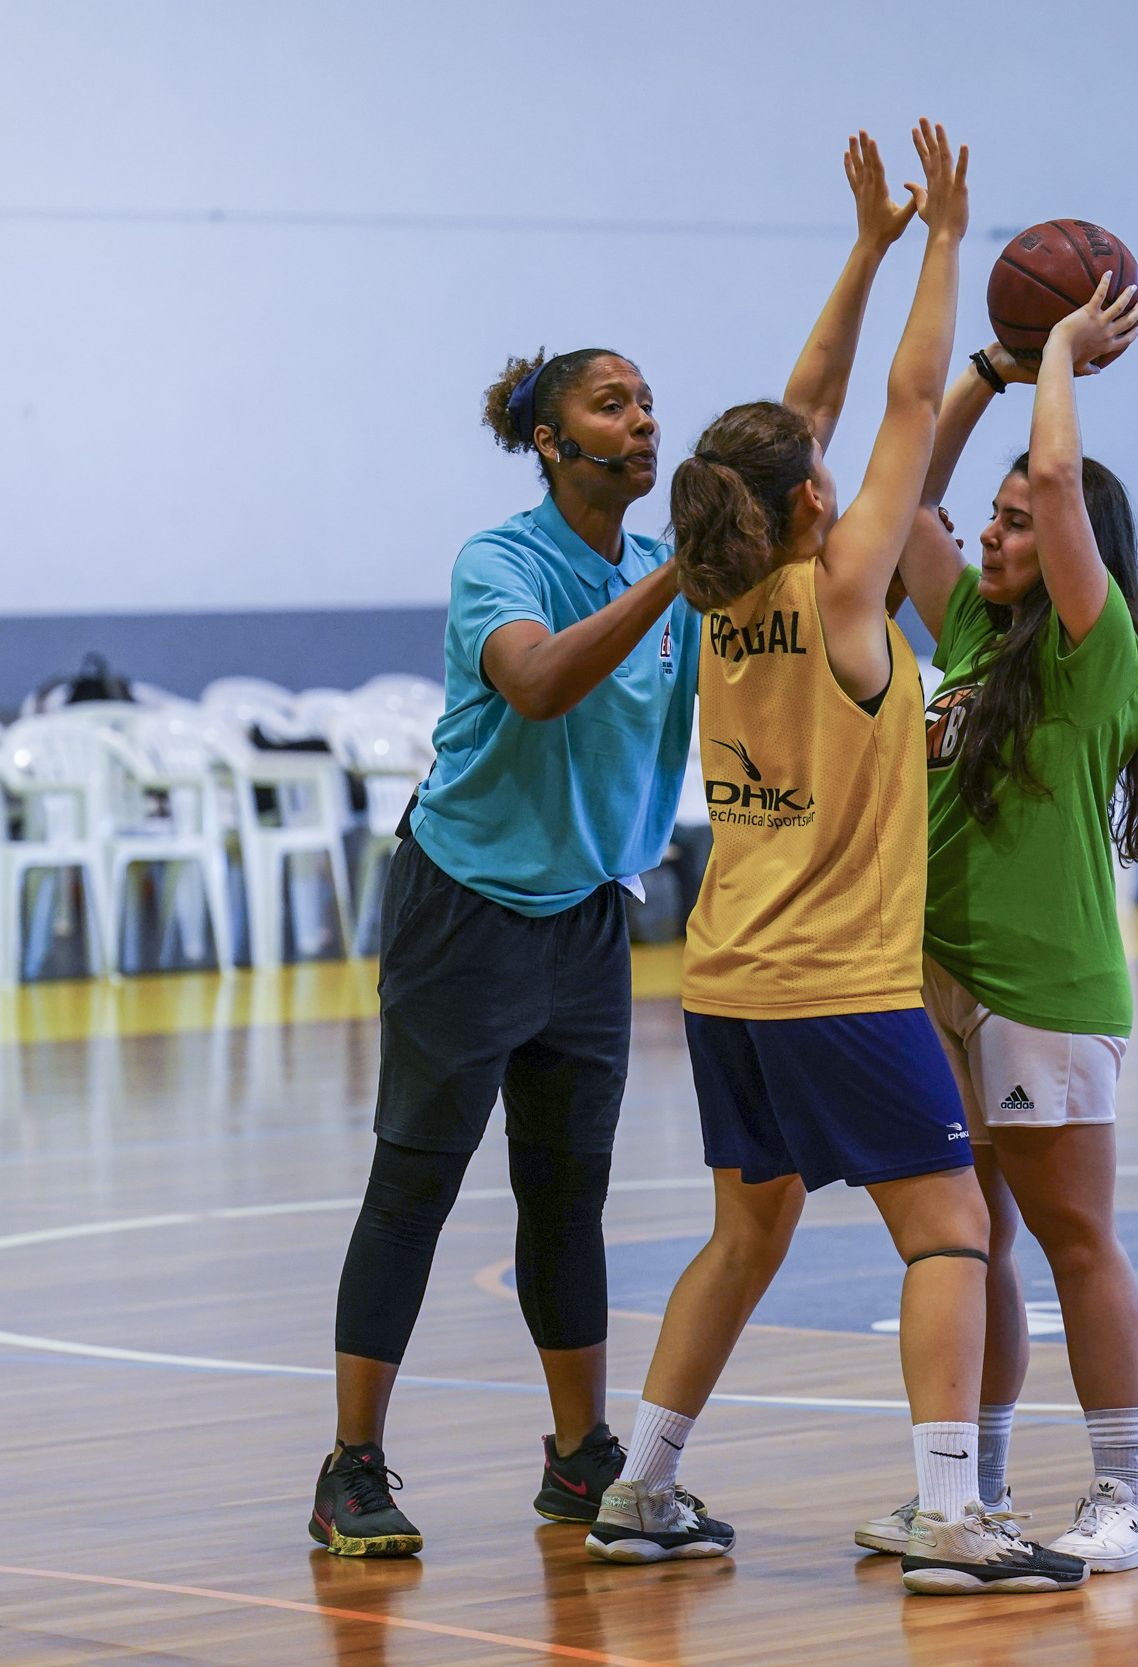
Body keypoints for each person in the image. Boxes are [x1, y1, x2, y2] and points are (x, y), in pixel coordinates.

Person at [583, 120, 1087, 1598]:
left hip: (726, 977)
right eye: (827, 470)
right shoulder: (844, 591)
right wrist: (944, 243)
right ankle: (949, 1512)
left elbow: (798, 408)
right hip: (835, 982)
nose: (838, 466)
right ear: (815, 500)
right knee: (945, 1232)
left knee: (745, 1233)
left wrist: (867, 246)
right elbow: (909, 396)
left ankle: (644, 1484)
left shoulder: (720, 586)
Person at [310, 341, 691, 1557]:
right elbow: (535, 683)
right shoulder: (504, 561)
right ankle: (349, 1466)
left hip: (583, 915)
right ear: (551, 438)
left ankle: (580, 1460)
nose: (641, 422)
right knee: (415, 1182)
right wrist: (680, 576)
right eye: (611, 403)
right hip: (462, 904)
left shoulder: (659, 574)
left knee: (568, 1191)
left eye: (646, 404)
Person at [851, 274, 1138, 1574]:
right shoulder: (975, 626)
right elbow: (914, 496)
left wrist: (1060, 366)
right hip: (941, 983)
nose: (992, 533)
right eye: (995, 521)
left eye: (1021, 523)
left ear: (1076, 542)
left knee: (1078, 1235)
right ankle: (967, 1493)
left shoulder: (1098, 644)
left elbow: (1053, 462)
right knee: (967, 1236)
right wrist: (988, 361)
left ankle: (1125, 1491)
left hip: (1046, 984)